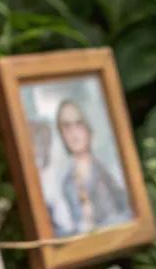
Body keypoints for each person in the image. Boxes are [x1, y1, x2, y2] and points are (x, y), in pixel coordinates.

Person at [55, 97, 132, 233]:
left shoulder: (112, 168)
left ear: (88, 128)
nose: (73, 133)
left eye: (78, 124)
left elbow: (131, 212)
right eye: (66, 126)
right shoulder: (67, 182)